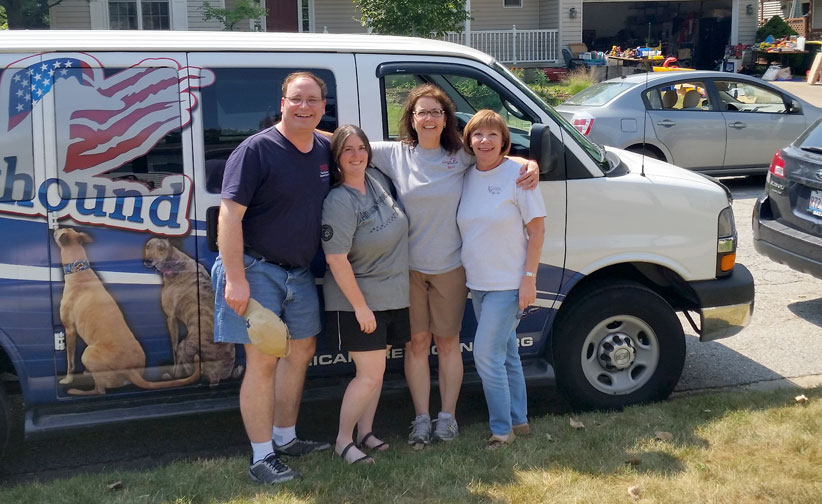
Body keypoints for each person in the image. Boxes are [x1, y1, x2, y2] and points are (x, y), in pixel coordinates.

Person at [368, 84, 539, 446]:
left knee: (448, 343)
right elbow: (347, 143)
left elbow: (497, 156)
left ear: (446, 119)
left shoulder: (460, 154)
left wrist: (531, 164)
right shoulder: (395, 154)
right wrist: (295, 128)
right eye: (422, 112)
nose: (429, 118)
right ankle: (421, 418)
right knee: (417, 344)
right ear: (411, 118)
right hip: (410, 269)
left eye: (436, 112)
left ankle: (447, 418)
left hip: (451, 268)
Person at [212, 71, 332, 485]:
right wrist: (234, 279)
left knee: (300, 351)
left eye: (313, 100)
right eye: (296, 99)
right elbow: (229, 216)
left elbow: (361, 146)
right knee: (263, 360)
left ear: (323, 106)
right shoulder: (255, 150)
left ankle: (285, 437)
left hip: (298, 272)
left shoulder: (323, 147)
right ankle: (262, 457)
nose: (304, 107)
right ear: (282, 103)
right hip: (255, 268)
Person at [456, 110, 546, 449]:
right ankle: (519, 420)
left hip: (507, 285)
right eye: (478, 134)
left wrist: (529, 279)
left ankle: (501, 430)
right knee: (507, 354)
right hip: (478, 284)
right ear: (469, 140)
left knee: (485, 356)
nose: (485, 141)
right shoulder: (467, 176)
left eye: (493, 134)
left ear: (504, 140)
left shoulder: (519, 176)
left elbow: (537, 231)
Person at [321, 125, 410, 464]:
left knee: (377, 373)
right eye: (347, 150)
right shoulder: (339, 201)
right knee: (369, 375)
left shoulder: (376, 180)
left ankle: (366, 432)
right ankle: (343, 441)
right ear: (337, 158)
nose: (356, 155)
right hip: (358, 302)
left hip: (391, 295)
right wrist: (361, 308)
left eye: (361, 148)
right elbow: (336, 259)